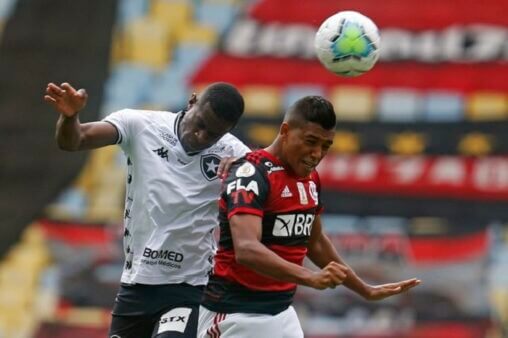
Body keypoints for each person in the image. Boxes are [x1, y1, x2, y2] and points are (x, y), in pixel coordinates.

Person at [198, 96, 421, 338]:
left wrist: (363, 289)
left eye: (326, 146)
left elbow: (314, 241)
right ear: (285, 131)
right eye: (311, 141)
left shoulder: (310, 179)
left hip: (282, 313)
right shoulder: (250, 173)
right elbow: (247, 249)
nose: (317, 154)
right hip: (236, 313)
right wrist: (311, 277)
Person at [44, 81, 251, 338]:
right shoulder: (140, 125)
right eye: (200, 124)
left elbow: (274, 196)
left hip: (189, 287)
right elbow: (75, 140)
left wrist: (246, 173)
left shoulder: (237, 156)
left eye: (213, 134)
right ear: (192, 102)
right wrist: (70, 117)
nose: (201, 136)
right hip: (136, 284)